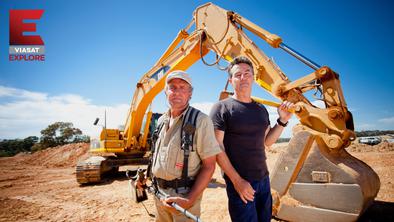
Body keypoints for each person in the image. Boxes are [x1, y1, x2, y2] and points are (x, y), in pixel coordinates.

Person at [210, 56, 294, 222]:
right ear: (231, 80)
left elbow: (267, 142)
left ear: (253, 78)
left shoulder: (260, 109)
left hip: (263, 180)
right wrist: (237, 181)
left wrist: (282, 120)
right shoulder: (221, 108)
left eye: (247, 73)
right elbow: (216, 146)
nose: (243, 77)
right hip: (240, 184)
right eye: (238, 74)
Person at [150, 70, 221, 222]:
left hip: (183, 200)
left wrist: (189, 199)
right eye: (172, 87)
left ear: (190, 93)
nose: (177, 92)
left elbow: (209, 166)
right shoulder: (161, 121)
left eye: (183, 87)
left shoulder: (200, 121)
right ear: (165, 92)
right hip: (159, 196)